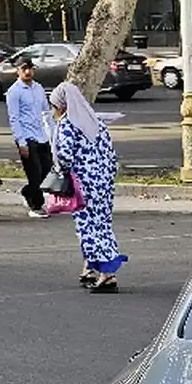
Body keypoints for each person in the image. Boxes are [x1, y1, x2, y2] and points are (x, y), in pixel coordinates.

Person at [50, 82, 126, 292]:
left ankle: (107, 274)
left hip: (82, 184)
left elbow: (64, 156)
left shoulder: (68, 124)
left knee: (88, 227)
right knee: (103, 223)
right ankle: (90, 268)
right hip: (103, 182)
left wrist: (60, 170)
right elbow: (110, 153)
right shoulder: (96, 122)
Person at [5, 56, 54, 216]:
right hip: (26, 136)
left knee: (47, 169)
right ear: (18, 71)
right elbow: (14, 117)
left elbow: (46, 112)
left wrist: (52, 133)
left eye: (30, 68)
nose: (27, 72)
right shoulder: (14, 92)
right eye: (23, 69)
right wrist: (21, 141)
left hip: (41, 135)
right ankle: (36, 205)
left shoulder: (38, 88)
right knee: (34, 171)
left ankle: (27, 191)